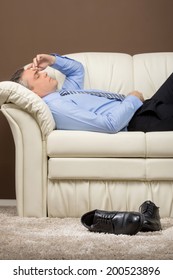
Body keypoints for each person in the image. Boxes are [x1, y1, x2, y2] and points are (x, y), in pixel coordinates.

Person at [10, 53, 173, 133]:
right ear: (33, 94)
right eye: (38, 76)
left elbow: (76, 70)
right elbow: (110, 125)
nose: (45, 73)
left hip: (145, 107)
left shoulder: (63, 94)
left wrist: (52, 60)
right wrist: (133, 98)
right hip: (138, 118)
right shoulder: (56, 107)